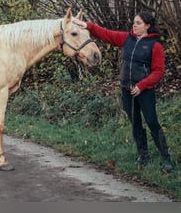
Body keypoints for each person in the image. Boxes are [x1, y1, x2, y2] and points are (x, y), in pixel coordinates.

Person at [73, 11, 174, 172]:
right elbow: (106, 34)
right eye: (134, 22)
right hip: (127, 90)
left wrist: (141, 85)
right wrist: (88, 26)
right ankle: (143, 155)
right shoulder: (127, 39)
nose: (134, 25)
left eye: (139, 23)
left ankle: (166, 159)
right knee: (135, 124)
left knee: (152, 122)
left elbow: (158, 71)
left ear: (147, 26)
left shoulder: (155, 46)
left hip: (144, 91)